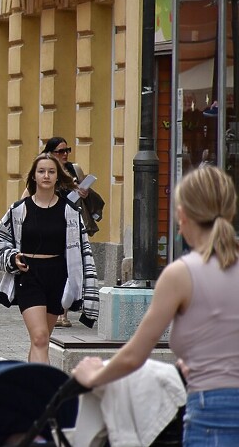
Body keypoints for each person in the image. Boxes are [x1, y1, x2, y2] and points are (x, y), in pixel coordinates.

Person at [72, 166, 239, 445]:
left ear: (182, 214)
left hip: (213, 414)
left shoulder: (181, 274)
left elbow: (133, 356)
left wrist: (94, 375)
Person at [0, 152, 99, 363]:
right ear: (34, 177)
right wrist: (12, 258)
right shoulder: (19, 210)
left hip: (57, 276)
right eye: (41, 171)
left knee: (41, 340)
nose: (46, 176)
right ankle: (45, 391)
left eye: (51, 171)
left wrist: (85, 285)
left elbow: (83, 251)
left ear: (58, 176)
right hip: (29, 276)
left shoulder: (70, 212)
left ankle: (31, 386)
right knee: (40, 338)